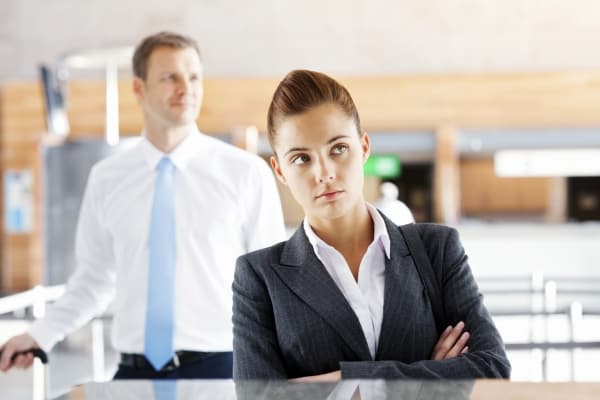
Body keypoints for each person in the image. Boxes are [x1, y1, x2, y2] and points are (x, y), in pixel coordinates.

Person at [0, 31, 285, 379]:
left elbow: (273, 284)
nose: (186, 88)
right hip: (133, 371)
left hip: (222, 369)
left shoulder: (245, 173)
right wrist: (38, 335)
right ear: (138, 88)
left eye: (193, 76)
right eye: (170, 77)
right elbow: (92, 281)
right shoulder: (107, 178)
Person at [232, 70, 510, 380]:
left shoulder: (436, 250)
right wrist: (432, 374)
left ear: (363, 147)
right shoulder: (259, 276)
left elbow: (492, 368)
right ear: (279, 170)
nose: (324, 172)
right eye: (301, 158)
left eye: (338, 149)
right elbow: (258, 396)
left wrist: (343, 379)